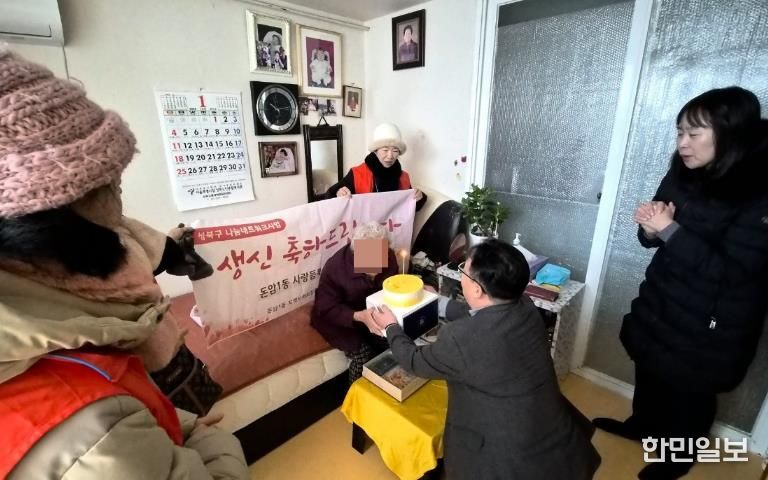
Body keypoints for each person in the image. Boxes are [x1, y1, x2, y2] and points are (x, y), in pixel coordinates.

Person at [0, 50, 248, 479]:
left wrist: (175, 422)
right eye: (108, 182)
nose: (118, 191)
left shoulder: (88, 256)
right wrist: (208, 438)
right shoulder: (89, 423)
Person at [593, 86, 768, 480]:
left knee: (690, 392)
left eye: (694, 133)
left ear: (730, 133)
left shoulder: (758, 189)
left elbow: (734, 272)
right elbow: (656, 231)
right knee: (650, 368)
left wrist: (669, 230)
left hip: (713, 320)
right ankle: (642, 427)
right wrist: (650, 229)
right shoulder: (683, 170)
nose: (682, 143)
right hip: (665, 298)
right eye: (679, 132)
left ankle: (677, 457)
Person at [367, 239, 601, 479]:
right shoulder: (525, 306)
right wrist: (440, 303)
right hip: (550, 432)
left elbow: (414, 361)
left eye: (464, 271)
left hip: (508, 454)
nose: (462, 276)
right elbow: (485, 315)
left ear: (477, 289)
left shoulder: (462, 339)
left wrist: (391, 327)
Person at [310, 222, 398, 384]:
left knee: (392, 341)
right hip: (341, 319)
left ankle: (388, 385)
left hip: (373, 312)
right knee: (363, 354)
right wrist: (360, 316)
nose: (378, 265)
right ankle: (355, 393)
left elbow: (392, 285)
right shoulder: (335, 268)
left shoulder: (389, 256)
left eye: (381, 254)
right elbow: (326, 308)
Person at [326, 122, 427, 210]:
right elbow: (329, 196)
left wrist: (419, 197)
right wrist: (339, 193)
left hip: (392, 225)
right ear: (375, 151)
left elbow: (410, 207)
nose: (390, 156)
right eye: (385, 150)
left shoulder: (403, 177)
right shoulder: (357, 173)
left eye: (395, 150)